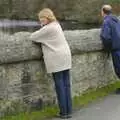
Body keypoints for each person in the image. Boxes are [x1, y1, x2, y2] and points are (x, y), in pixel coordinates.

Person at [30, 8, 72, 119]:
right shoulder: (57, 25)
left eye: (42, 18)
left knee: (60, 86)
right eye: (40, 19)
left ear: (48, 17)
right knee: (66, 84)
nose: (41, 20)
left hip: (57, 58)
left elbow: (33, 37)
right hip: (65, 56)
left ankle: (63, 113)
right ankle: (69, 111)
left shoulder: (48, 28)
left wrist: (42, 28)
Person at [100, 5, 120, 93]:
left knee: (118, 69)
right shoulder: (116, 20)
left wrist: (107, 48)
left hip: (115, 48)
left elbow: (106, 37)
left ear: (103, 12)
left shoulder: (106, 21)